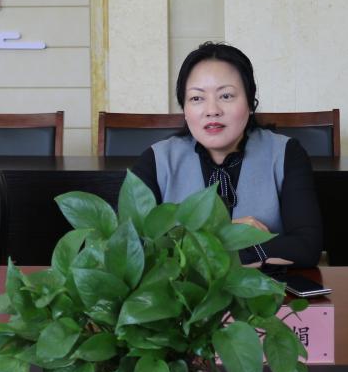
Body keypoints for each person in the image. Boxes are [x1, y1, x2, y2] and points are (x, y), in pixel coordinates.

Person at [130, 42, 322, 267]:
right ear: (185, 109)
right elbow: (133, 250)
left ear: (250, 102)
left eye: (226, 96)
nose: (212, 110)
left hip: (265, 288)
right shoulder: (156, 160)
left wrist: (193, 249)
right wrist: (226, 236)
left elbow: (306, 248)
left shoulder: (286, 154)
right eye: (197, 98)